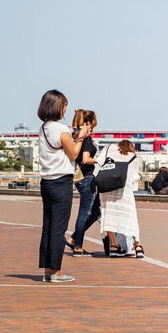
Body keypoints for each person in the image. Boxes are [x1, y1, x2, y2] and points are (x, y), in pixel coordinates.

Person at [37, 89, 89, 283]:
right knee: (59, 228)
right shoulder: (61, 129)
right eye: (64, 105)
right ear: (58, 107)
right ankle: (56, 271)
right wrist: (82, 136)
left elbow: (62, 149)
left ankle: (48, 271)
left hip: (47, 182)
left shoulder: (44, 129)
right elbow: (73, 154)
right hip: (61, 182)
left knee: (49, 226)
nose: (66, 108)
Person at [96, 140, 145, 259]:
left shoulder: (107, 150)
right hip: (124, 190)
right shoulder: (132, 157)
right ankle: (137, 246)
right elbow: (134, 177)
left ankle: (114, 246)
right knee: (131, 216)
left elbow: (97, 167)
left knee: (108, 216)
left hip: (106, 188)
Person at [66, 110, 100, 257]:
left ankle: (74, 239)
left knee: (95, 212)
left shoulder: (76, 135)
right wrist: (99, 160)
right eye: (93, 123)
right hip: (87, 178)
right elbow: (86, 159)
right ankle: (78, 246)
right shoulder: (85, 138)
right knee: (85, 213)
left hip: (81, 178)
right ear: (88, 122)